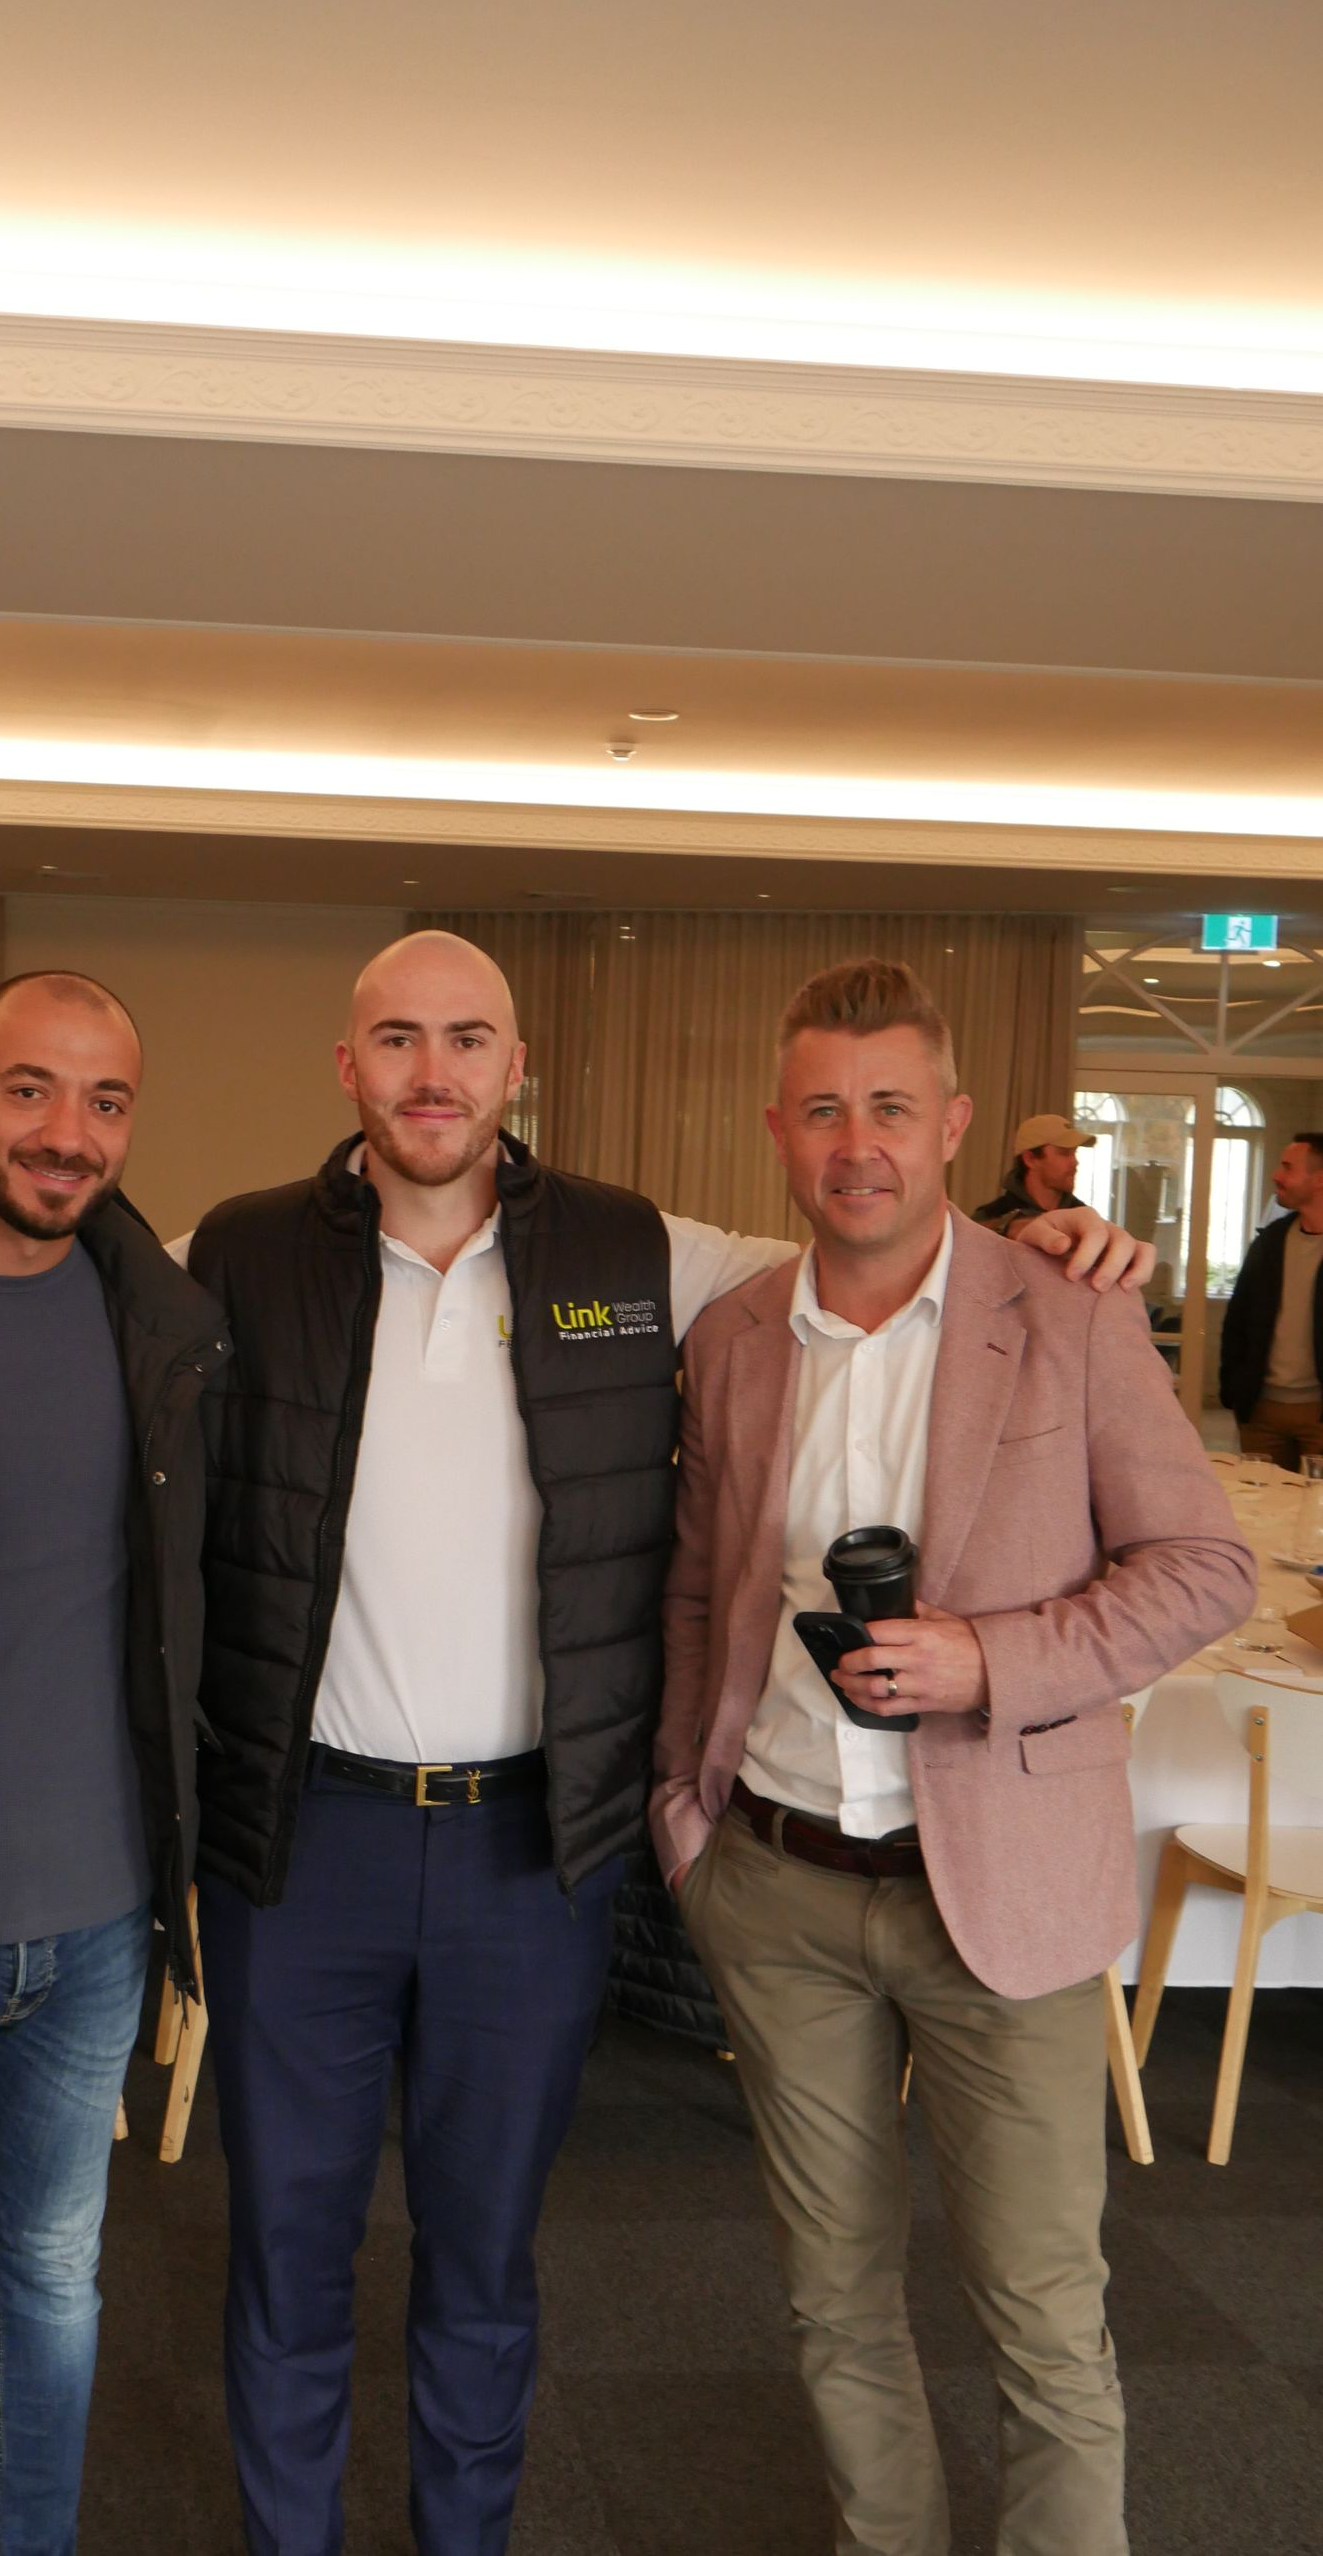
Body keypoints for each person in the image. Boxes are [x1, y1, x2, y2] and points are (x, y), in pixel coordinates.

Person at [178, 929, 1154, 2556]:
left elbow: (865, 1252)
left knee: (483, 2256)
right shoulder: (242, 1249)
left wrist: (1043, 1244)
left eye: (469, 1038)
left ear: (514, 1069)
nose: (435, 1072)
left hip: (524, 1858)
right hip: (305, 1843)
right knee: (283, 2247)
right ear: (345, 1066)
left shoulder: (635, 1252)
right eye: (399, 1039)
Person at [652, 957, 1253, 2556]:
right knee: (829, 2297)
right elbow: (694, 1587)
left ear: (952, 1125)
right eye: (827, 1109)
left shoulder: (1066, 1310)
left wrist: (987, 1659)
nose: (859, 1144)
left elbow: (1202, 1570)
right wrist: (683, 1820)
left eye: (893, 1109)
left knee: (1040, 2315)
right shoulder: (727, 1337)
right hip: (774, 1881)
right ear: (779, 1129)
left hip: (1000, 1893)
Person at [0, 970, 228, 2556]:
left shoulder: (164, 1320)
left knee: (50, 2274)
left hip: (90, 1918)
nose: (65, 1134)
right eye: (26, 1088)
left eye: (103, 1101)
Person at [1220, 1131, 1323, 1470]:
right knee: (1261, 1512)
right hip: (1261, 1412)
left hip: (1319, 1414)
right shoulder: (1270, 1243)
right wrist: (1234, 1388)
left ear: (1319, 1178)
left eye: (1287, 1167)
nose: (1277, 1175)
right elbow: (1238, 1319)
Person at [973, 1110, 1095, 1230]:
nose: (1075, 1162)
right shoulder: (989, 1219)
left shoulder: (1085, 1220)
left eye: (1075, 1153)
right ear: (1030, 1159)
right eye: (1064, 1153)